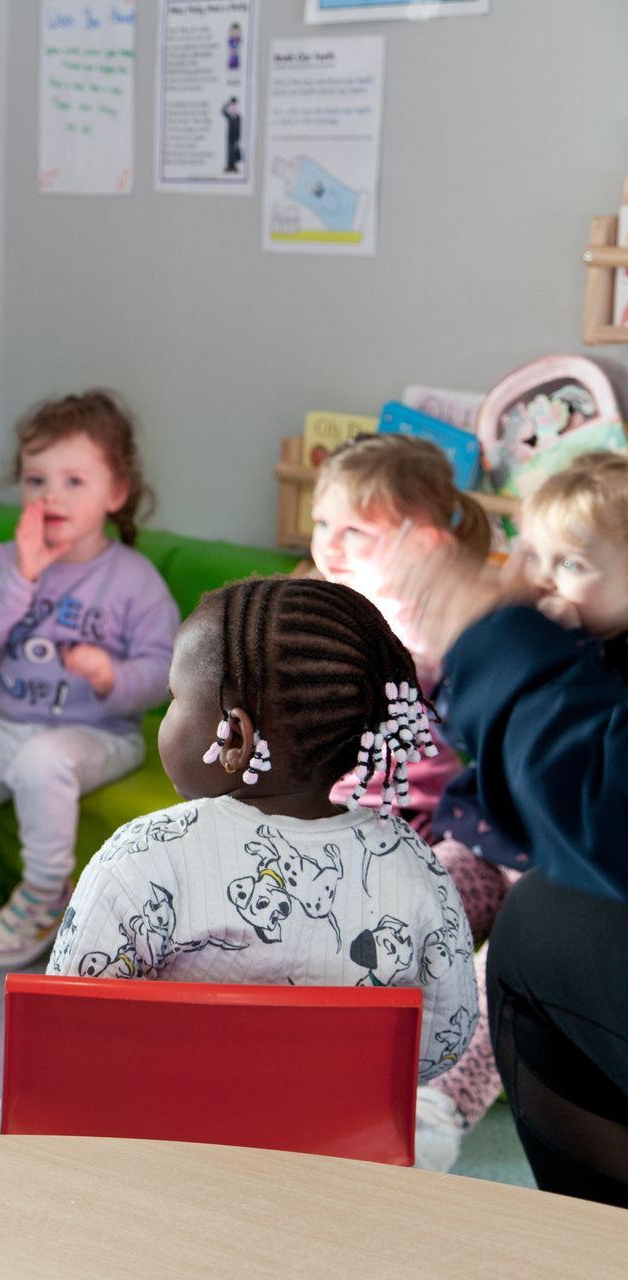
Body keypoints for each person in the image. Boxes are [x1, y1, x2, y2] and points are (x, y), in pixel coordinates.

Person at [47, 576, 477, 1083]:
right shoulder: (413, 863)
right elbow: (443, 1041)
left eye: (173, 699)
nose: (165, 715)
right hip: (337, 1130)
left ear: (235, 739)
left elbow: (65, 1026)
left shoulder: (142, 857)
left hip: (163, 1127)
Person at [378, 508, 628, 1208]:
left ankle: (433, 1113)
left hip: (541, 872)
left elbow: (591, 814)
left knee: (528, 933)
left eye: (571, 562)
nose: (537, 580)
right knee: (407, 905)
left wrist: (495, 635)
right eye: (530, 555)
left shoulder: (567, 652)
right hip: (489, 847)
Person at [0, 391, 178, 969]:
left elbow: (164, 673)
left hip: (101, 731)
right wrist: (23, 575)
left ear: (116, 493)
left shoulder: (134, 579)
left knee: (42, 762)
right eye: (36, 480)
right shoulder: (10, 559)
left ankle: (46, 896)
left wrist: (111, 675)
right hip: (11, 724)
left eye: (74, 481)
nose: (51, 495)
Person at [308, 433, 500, 1168]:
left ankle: (428, 1108)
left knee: (427, 913)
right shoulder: (321, 613)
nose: (330, 544)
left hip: (433, 833)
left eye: (355, 530)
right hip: (334, 827)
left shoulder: (459, 638)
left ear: (421, 544)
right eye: (322, 523)